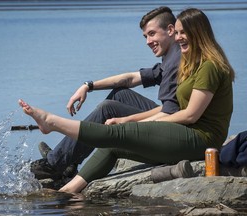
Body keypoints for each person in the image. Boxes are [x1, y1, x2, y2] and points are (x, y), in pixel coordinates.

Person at [19, 7, 235, 193]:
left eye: (182, 33)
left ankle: (53, 127)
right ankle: (68, 190)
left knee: (116, 129)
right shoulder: (186, 61)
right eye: (178, 33)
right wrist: (89, 85)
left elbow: (187, 114)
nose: (179, 38)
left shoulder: (200, 64)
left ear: (198, 33)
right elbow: (131, 78)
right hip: (186, 129)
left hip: (199, 139)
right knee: (115, 121)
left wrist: (132, 124)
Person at [31, 6, 181, 182]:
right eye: (145, 36)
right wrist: (88, 85)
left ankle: (55, 165)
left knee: (107, 108)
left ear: (170, 30)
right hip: (171, 119)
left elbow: (170, 112)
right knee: (120, 94)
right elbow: (130, 78)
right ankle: (70, 160)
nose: (148, 41)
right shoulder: (171, 57)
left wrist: (126, 122)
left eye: (152, 34)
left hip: (175, 131)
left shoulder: (176, 62)